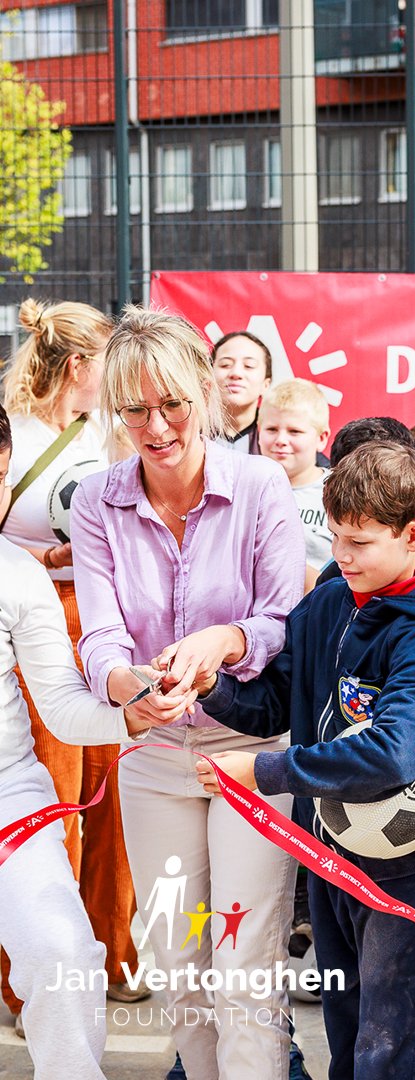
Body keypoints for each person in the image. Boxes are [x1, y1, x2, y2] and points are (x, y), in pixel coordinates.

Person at [191, 441, 415, 1080]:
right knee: (347, 1018)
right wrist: (210, 687)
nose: (341, 556)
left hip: (402, 864)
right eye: (334, 538)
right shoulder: (330, 598)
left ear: (414, 535)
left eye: (359, 542)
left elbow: (399, 749)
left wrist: (264, 772)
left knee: (393, 1034)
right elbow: (276, 703)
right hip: (326, 848)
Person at [70, 307, 306, 1080]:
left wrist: (223, 642)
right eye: (134, 409)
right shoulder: (96, 500)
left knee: (245, 967)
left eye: (170, 403)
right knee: (179, 970)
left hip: (248, 756)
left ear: (204, 391)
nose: (156, 425)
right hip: (152, 755)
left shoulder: (262, 483)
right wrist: (123, 688)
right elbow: (100, 636)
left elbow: (282, 620)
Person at [0, 402, 177, 1079]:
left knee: (66, 951)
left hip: (11, 791)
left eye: (0, 477)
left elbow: (62, 707)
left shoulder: (18, 574)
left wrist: (127, 713)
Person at [0, 298, 144, 1024]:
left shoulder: (108, 436)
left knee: (113, 792)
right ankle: (28, 976)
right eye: (107, 364)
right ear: (82, 365)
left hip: (103, 623)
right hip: (35, 619)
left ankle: (114, 953)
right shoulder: (15, 439)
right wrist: (45, 558)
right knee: (49, 800)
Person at [258, 378, 333, 591]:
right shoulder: (242, 490)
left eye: (295, 432)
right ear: (259, 431)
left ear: (321, 438)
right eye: (272, 429)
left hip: (319, 610)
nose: (281, 440)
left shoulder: (337, 493)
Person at [211, 330, 273, 453]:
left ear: (266, 384)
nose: (236, 373)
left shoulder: (279, 438)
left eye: (249, 366)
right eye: (225, 364)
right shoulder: (191, 431)